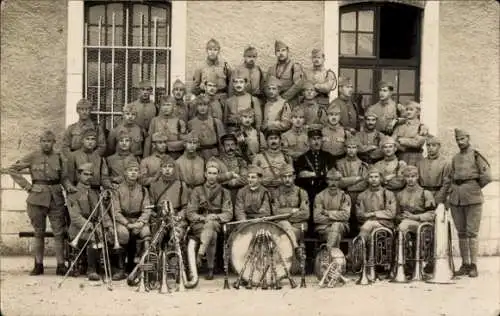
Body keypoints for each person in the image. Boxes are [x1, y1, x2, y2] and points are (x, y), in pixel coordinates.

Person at [8, 130, 77, 275]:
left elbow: (63, 178)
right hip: (36, 199)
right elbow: (13, 169)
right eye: (44, 141)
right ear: (40, 142)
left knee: (59, 233)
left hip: (56, 199)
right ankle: (38, 265)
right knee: (38, 233)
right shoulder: (33, 156)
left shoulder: (59, 157)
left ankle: (60, 265)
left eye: (49, 141)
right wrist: (27, 187)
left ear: (54, 143)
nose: (46, 144)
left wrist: (70, 188)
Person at [446, 128, 492, 277]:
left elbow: (487, 176)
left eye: (462, 139)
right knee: (461, 232)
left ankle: (473, 265)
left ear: (468, 138)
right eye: (458, 140)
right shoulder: (455, 158)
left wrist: (473, 186)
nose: (460, 142)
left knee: (472, 232)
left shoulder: (475, 155)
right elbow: (451, 176)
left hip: (472, 197)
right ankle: (465, 264)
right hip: (456, 198)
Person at [186, 159, 233, 280]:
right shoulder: (197, 191)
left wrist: (216, 216)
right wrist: (203, 218)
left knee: (211, 225)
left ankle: (200, 254)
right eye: (210, 173)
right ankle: (210, 268)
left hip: (217, 222)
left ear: (218, 175)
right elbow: (190, 213)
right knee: (212, 234)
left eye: (215, 173)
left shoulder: (224, 192)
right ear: (205, 174)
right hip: (199, 223)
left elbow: (228, 213)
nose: (212, 176)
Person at [67, 163, 113, 281]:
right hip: (78, 230)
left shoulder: (95, 193)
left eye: (90, 175)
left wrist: (109, 226)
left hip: (94, 226)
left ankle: (104, 266)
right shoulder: (73, 194)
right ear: (79, 175)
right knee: (94, 238)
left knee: (106, 236)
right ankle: (91, 270)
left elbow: (102, 211)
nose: (88, 177)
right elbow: (75, 216)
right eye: (85, 174)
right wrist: (89, 225)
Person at [110, 157, 152, 280]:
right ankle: (121, 268)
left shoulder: (143, 190)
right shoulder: (117, 190)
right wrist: (127, 224)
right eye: (130, 170)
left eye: (135, 170)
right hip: (123, 220)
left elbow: (147, 209)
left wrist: (141, 222)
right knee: (123, 233)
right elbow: (116, 211)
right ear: (125, 172)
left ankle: (143, 268)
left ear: (139, 173)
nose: (133, 173)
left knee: (146, 232)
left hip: (138, 220)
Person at [294, 124, 337, 233]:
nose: (316, 142)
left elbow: (332, 174)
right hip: (309, 190)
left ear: (322, 140)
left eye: (318, 139)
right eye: (313, 139)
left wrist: (312, 173)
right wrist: (317, 174)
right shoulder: (302, 158)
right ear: (308, 141)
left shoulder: (329, 157)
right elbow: (301, 174)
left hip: (325, 190)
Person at [149, 156, 190, 242]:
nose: (167, 169)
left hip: (176, 218)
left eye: (170, 167)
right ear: (160, 169)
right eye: (164, 167)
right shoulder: (153, 186)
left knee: (175, 237)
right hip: (159, 219)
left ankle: (174, 254)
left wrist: (178, 216)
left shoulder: (181, 185)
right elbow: (150, 207)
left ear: (174, 169)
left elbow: (185, 207)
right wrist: (156, 216)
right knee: (156, 239)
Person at [336, 137, 369, 236]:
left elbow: (364, 182)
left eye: (353, 147)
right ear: (345, 149)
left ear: (357, 149)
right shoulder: (339, 163)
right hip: (344, 195)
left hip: (359, 195)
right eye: (349, 147)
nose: (351, 150)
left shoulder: (363, 164)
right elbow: (339, 182)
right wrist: (356, 178)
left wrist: (347, 184)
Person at [273, 164, 309, 251]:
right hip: (281, 227)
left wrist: (285, 216)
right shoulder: (276, 193)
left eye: (289, 176)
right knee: (284, 226)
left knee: (284, 235)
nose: (287, 179)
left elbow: (305, 214)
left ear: (294, 177)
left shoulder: (301, 192)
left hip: (298, 227)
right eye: (284, 177)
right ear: (281, 178)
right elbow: (275, 213)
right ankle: (296, 249)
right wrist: (292, 211)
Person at [355, 167, 397, 241]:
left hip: (385, 224)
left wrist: (373, 214)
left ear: (380, 178)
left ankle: (358, 248)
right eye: (371, 177)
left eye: (376, 177)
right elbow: (359, 215)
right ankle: (363, 249)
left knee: (369, 225)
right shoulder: (362, 195)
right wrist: (367, 217)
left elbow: (391, 213)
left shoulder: (388, 194)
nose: (373, 179)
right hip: (365, 224)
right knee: (368, 226)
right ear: (367, 179)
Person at [313, 169, 351, 250]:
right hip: (324, 228)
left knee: (336, 227)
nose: (333, 183)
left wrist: (326, 213)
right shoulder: (319, 196)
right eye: (331, 179)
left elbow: (346, 216)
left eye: (336, 180)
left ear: (339, 181)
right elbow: (317, 218)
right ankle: (335, 256)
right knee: (335, 233)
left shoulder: (345, 196)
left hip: (342, 227)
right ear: (327, 180)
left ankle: (328, 252)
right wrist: (337, 218)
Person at [253, 124, 293, 196]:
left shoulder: (286, 157)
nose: (273, 141)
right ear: (266, 141)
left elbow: (292, 178)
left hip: (282, 193)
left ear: (280, 140)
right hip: (263, 192)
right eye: (271, 138)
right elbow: (252, 177)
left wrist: (281, 181)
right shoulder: (259, 157)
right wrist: (263, 181)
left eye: (276, 138)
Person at [396, 165, 436, 235]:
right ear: (404, 178)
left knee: (403, 226)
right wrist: (401, 217)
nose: (410, 179)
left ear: (417, 177)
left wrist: (415, 217)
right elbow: (397, 214)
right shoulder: (400, 194)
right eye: (407, 176)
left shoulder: (425, 193)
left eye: (413, 176)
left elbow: (431, 214)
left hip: (421, 225)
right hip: (404, 222)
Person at [188, 95, 226, 160]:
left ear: (209, 107)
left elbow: (222, 142)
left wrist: (221, 156)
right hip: (198, 156)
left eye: (205, 105)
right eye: (200, 105)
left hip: (214, 154)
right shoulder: (191, 123)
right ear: (196, 107)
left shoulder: (216, 122)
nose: (202, 108)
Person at [267, 40, 304, 106]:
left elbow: (298, 85)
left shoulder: (294, 66)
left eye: (283, 50)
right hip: (275, 102)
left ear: (287, 51)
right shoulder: (271, 68)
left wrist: (283, 98)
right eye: (278, 51)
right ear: (275, 53)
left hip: (290, 102)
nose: (281, 53)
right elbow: (266, 85)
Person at [417, 135, 451, 205]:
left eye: (433, 145)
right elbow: (417, 182)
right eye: (428, 145)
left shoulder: (446, 163)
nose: (430, 148)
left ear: (439, 146)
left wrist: (438, 199)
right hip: (423, 197)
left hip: (439, 196)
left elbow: (447, 183)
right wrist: (422, 196)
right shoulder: (420, 163)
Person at [392, 101, 428, 166]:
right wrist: (407, 143)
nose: (408, 112)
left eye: (411, 110)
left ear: (418, 112)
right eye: (407, 109)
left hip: (415, 158)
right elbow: (392, 141)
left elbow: (417, 143)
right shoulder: (399, 127)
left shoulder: (421, 127)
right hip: (400, 157)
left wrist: (401, 140)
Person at [215, 133, 248, 204]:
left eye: (232, 145)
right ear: (223, 147)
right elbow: (214, 178)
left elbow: (245, 178)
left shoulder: (240, 161)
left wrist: (233, 182)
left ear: (236, 146)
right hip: (221, 193)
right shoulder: (216, 161)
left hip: (238, 193)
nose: (230, 148)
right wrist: (228, 176)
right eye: (227, 145)